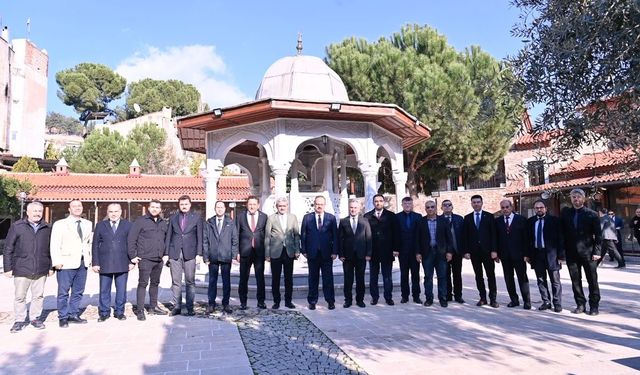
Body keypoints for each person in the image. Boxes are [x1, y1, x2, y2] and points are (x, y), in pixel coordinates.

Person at [3, 202, 53, 332]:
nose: (37, 213)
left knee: (38, 296)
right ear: (28, 212)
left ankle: (35, 318)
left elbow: (50, 249)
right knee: (20, 296)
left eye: (39, 211)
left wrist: (50, 266)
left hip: (41, 268)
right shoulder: (17, 226)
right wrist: (7, 268)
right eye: (34, 211)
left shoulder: (47, 227)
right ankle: (19, 320)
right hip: (21, 268)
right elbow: (8, 248)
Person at [50, 199, 93, 328]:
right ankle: (63, 317)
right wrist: (56, 261)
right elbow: (55, 243)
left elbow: (88, 243)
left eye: (79, 206)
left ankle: (73, 314)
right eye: (74, 206)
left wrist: (89, 259)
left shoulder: (88, 223)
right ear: (69, 209)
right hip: (65, 262)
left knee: (78, 291)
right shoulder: (60, 224)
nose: (77, 208)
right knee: (63, 292)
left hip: (82, 262)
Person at [560, 189, 602, 316]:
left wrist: (597, 251)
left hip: (588, 253)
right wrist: (562, 253)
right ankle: (580, 304)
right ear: (571, 199)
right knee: (575, 281)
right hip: (571, 253)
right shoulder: (566, 214)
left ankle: (594, 306)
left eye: (578, 197)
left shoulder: (592, 214)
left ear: (583, 199)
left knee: (592, 280)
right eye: (573, 197)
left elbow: (598, 235)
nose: (576, 199)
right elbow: (562, 234)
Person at [128, 200, 169, 321]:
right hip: (145, 258)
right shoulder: (140, 221)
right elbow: (131, 239)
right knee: (143, 284)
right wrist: (133, 256)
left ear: (160, 209)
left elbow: (166, 240)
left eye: (157, 207)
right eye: (153, 207)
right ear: (148, 208)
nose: (155, 209)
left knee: (155, 283)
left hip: (158, 258)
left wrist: (165, 254)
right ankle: (140, 310)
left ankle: (153, 306)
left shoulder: (163, 222)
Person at [91, 203, 133, 322]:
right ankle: (104, 312)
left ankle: (120, 312)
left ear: (121, 212)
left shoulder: (128, 225)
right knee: (104, 289)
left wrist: (131, 261)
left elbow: (131, 244)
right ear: (107, 213)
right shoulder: (100, 225)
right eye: (111, 212)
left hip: (122, 262)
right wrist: (95, 262)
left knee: (121, 289)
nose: (113, 214)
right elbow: (95, 245)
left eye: (116, 211)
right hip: (104, 262)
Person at [165, 195, 203, 316]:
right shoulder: (173, 218)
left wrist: (199, 254)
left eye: (186, 204)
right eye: (182, 204)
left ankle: (190, 307)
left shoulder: (196, 218)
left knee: (190, 281)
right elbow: (168, 237)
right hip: (174, 253)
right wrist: (166, 253)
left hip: (190, 253)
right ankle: (177, 306)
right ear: (179, 205)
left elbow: (200, 237)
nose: (184, 206)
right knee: (176, 281)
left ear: (190, 204)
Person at [300, 195, 338, 310]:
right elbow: (303, 235)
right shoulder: (307, 218)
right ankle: (312, 301)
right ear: (314, 205)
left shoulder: (331, 218)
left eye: (321, 204)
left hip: (327, 253)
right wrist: (304, 250)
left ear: (324, 205)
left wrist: (335, 251)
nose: (319, 206)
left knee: (328, 279)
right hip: (312, 253)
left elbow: (335, 236)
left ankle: (330, 301)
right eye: (317, 204)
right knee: (313, 278)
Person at [526, 200, 564, 312]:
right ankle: (546, 301)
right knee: (541, 280)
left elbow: (561, 239)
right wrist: (527, 255)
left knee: (555, 280)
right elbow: (527, 239)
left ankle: (557, 303)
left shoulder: (554, 221)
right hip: (537, 254)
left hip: (552, 254)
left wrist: (561, 255)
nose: (539, 209)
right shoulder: (530, 222)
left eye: (541, 207)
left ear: (545, 209)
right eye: (536, 208)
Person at [462, 195, 499, 308]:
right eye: (474, 202)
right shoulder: (467, 218)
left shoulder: (489, 216)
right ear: (471, 203)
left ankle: (493, 299)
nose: (476, 204)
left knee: (490, 275)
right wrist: (466, 251)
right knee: (478, 276)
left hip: (488, 252)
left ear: (482, 203)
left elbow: (493, 235)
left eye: (478, 202)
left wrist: (494, 250)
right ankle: (483, 298)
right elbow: (465, 236)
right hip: (474, 252)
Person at [265, 197, 300, 309]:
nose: (282, 208)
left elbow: (296, 235)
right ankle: (276, 301)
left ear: (287, 206)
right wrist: (267, 253)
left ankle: (288, 301)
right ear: (277, 207)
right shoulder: (271, 218)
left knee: (288, 278)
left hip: (289, 251)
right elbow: (267, 236)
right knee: (275, 278)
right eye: (280, 206)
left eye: (284, 206)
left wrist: (297, 250)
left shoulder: (292, 217)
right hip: (275, 252)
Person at [495, 200, 531, 310]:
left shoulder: (521, 220)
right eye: (502, 207)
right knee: (508, 278)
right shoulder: (498, 221)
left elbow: (526, 238)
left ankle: (527, 301)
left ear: (511, 207)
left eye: (507, 207)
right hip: (505, 255)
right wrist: (496, 253)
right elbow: (496, 239)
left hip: (519, 255)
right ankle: (514, 300)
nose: (505, 209)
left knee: (522, 278)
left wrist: (526, 254)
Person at [203, 201, 238, 314]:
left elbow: (234, 240)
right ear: (215, 208)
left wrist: (233, 255)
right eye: (218, 207)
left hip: (226, 256)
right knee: (212, 281)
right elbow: (205, 240)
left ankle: (226, 304)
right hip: (213, 256)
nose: (220, 209)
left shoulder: (230, 222)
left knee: (226, 281)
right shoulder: (209, 222)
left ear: (225, 209)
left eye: (222, 207)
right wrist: (206, 256)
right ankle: (211, 304)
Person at [417, 200, 452, 307]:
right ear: (425, 209)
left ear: (436, 208)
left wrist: (449, 252)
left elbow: (449, 237)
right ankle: (429, 298)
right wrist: (418, 253)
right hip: (427, 253)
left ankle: (443, 298)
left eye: (432, 207)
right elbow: (417, 239)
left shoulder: (443, 221)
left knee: (442, 276)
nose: (430, 209)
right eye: (428, 207)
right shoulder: (421, 221)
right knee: (428, 277)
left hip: (441, 253)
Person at [338, 199, 372, 308]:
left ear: (359, 209)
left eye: (355, 207)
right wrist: (341, 254)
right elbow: (340, 239)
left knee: (360, 279)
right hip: (347, 256)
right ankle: (348, 300)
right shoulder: (343, 221)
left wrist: (368, 254)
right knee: (348, 279)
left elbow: (369, 238)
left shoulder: (365, 221)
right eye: (351, 207)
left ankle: (360, 300)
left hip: (361, 255)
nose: (353, 209)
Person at [364, 194, 397, 305]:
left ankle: (388, 297)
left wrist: (395, 249)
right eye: (376, 201)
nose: (378, 203)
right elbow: (364, 235)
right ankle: (375, 297)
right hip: (373, 252)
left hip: (387, 251)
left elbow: (395, 233)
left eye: (380, 201)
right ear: (373, 203)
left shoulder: (391, 216)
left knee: (387, 276)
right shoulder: (367, 216)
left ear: (384, 202)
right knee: (373, 276)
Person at [236, 195, 268, 310]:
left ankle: (261, 301)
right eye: (250, 204)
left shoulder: (264, 217)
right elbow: (236, 235)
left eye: (254, 204)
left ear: (258, 205)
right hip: (245, 252)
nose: (252, 206)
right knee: (243, 278)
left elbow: (267, 236)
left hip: (259, 252)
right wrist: (237, 252)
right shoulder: (240, 217)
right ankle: (243, 302)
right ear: (246, 205)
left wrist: (267, 252)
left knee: (260, 278)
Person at [395, 197, 423, 304]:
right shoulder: (397, 217)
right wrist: (396, 249)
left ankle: (416, 296)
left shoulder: (418, 217)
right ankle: (404, 296)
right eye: (405, 203)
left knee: (415, 274)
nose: (407, 205)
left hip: (415, 252)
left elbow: (420, 235)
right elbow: (396, 235)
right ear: (402, 205)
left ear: (412, 205)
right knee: (404, 274)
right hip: (402, 251)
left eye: (409, 203)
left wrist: (419, 251)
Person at [440, 199, 465, 304]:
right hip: (444, 253)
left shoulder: (459, 219)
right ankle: (448, 295)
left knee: (457, 274)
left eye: (449, 205)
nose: (447, 207)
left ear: (452, 207)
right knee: (445, 274)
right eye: (444, 205)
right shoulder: (438, 219)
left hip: (457, 252)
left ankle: (458, 295)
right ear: (441, 208)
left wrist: (465, 251)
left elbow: (464, 236)